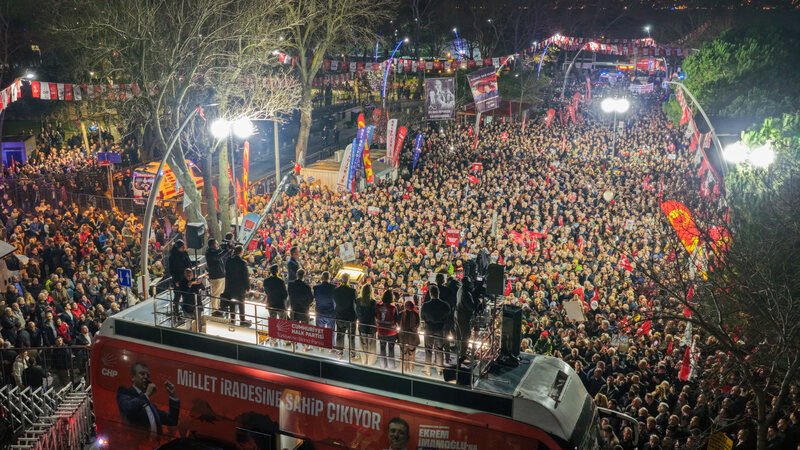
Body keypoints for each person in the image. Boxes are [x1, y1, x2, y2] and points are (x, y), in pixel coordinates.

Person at [116, 361, 180, 434]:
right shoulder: (125, 391)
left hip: (155, 444)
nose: (146, 377)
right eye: (142, 374)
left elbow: (172, 420)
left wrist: (173, 395)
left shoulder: (151, 405)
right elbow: (128, 408)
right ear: (133, 377)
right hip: (135, 443)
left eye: (148, 375)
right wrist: (147, 394)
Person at [420, 285, 450, 376]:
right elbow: (447, 316)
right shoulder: (445, 305)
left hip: (429, 328)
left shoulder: (425, 305)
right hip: (440, 329)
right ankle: (439, 370)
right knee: (439, 349)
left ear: (430, 294)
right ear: (438, 293)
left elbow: (422, 316)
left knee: (428, 349)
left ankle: (428, 370)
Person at [223, 246, 250, 327]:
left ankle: (232, 319)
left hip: (230, 285)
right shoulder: (242, 262)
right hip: (240, 286)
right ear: (241, 252)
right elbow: (245, 276)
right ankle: (242, 320)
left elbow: (226, 272)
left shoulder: (229, 260)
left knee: (232, 302)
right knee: (241, 303)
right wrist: (247, 286)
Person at [287, 269, 314, 351]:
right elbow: (310, 300)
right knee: (304, 329)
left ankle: (293, 344)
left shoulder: (290, 285)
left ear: (296, 275)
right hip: (304, 310)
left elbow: (290, 295)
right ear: (304, 276)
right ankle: (305, 346)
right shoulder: (306, 287)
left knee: (293, 328)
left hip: (294, 309)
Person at [333, 273, 357, 359]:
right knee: (351, 336)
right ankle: (352, 354)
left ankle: (339, 353)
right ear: (349, 280)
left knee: (339, 334)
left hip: (339, 315)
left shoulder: (335, 290)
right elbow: (355, 303)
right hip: (350, 317)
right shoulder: (352, 291)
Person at [453, 277, 477, 360]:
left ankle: (459, 351)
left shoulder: (460, 289)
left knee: (459, 335)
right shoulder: (466, 293)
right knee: (465, 335)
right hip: (463, 316)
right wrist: (478, 302)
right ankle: (462, 354)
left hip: (457, 314)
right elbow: (471, 307)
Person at [375, 290, 399, 369]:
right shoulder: (393, 307)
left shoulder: (378, 306)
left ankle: (383, 365)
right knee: (391, 348)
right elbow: (397, 319)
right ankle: (391, 366)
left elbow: (375, 316)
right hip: (391, 332)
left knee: (382, 347)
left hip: (381, 331)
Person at [168, 240, 192, 317]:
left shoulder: (184, 253)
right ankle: (176, 311)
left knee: (186, 294)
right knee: (177, 295)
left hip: (186, 277)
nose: (183, 248)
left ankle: (186, 309)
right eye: (181, 247)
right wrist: (176, 281)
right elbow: (172, 270)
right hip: (178, 278)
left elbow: (189, 263)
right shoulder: (173, 256)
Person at [356, 284, 377, 365]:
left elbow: (357, 312)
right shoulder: (373, 302)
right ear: (371, 292)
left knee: (363, 343)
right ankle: (370, 361)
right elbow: (375, 314)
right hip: (371, 325)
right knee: (371, 344)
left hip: (362, 325)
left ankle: (364, 360)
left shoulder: (358, 300)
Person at [205, 238, 227, 315]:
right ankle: (214, 310)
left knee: (220, 292)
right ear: (211, 245)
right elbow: (218, 257)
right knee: (215, 293)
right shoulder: (209, 253)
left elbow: (220, 254)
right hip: (215, 276)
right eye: (216, 244)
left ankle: (218, 307)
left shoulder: (216, 251)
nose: (217, 245)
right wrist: (226, 250)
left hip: (221, 275)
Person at [398, 300, 420, 373]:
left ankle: (403, 367)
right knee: (412, 353)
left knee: (403, 353)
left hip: (402, 337)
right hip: (412, 338)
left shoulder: (401, 314)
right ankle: (411, 367)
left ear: (405, 306)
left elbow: (398, 323)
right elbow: (417, 325)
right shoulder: (416, 314)